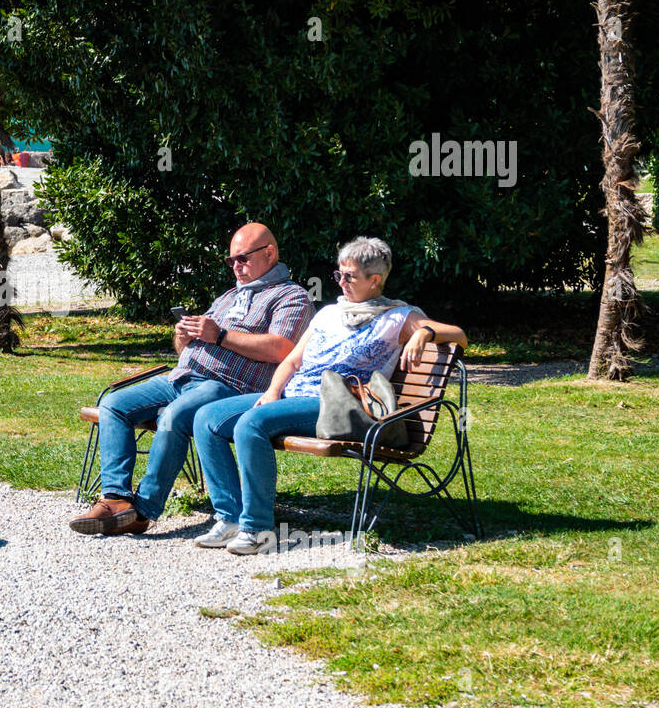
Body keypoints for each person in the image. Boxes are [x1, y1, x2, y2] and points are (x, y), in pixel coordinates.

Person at [190, 236, 469, 553]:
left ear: (374, 280)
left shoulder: (396, 317)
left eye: (349, 276)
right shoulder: (328, 314)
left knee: (251, 424)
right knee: (206, 418)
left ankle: (257, 529)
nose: (341, 282)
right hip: (293, 397)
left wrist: (423, 332)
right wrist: (272, 391)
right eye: (339, 274)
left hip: (336, 404)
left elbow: (460, 336)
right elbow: (293, 360)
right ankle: (230, 519)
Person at [69, 223, 314, 536]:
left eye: (243, 259)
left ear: (270, 253)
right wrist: (182, 337)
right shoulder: (228, 297)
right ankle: (116, 499)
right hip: (181, 377)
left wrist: (221, 335)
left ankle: (143, 511)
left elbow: (282, 348)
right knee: (114, 403)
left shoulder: (290, 297)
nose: (236, 267)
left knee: (174, 417)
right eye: (231, 261)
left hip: (226, 387)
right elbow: (189, 345)